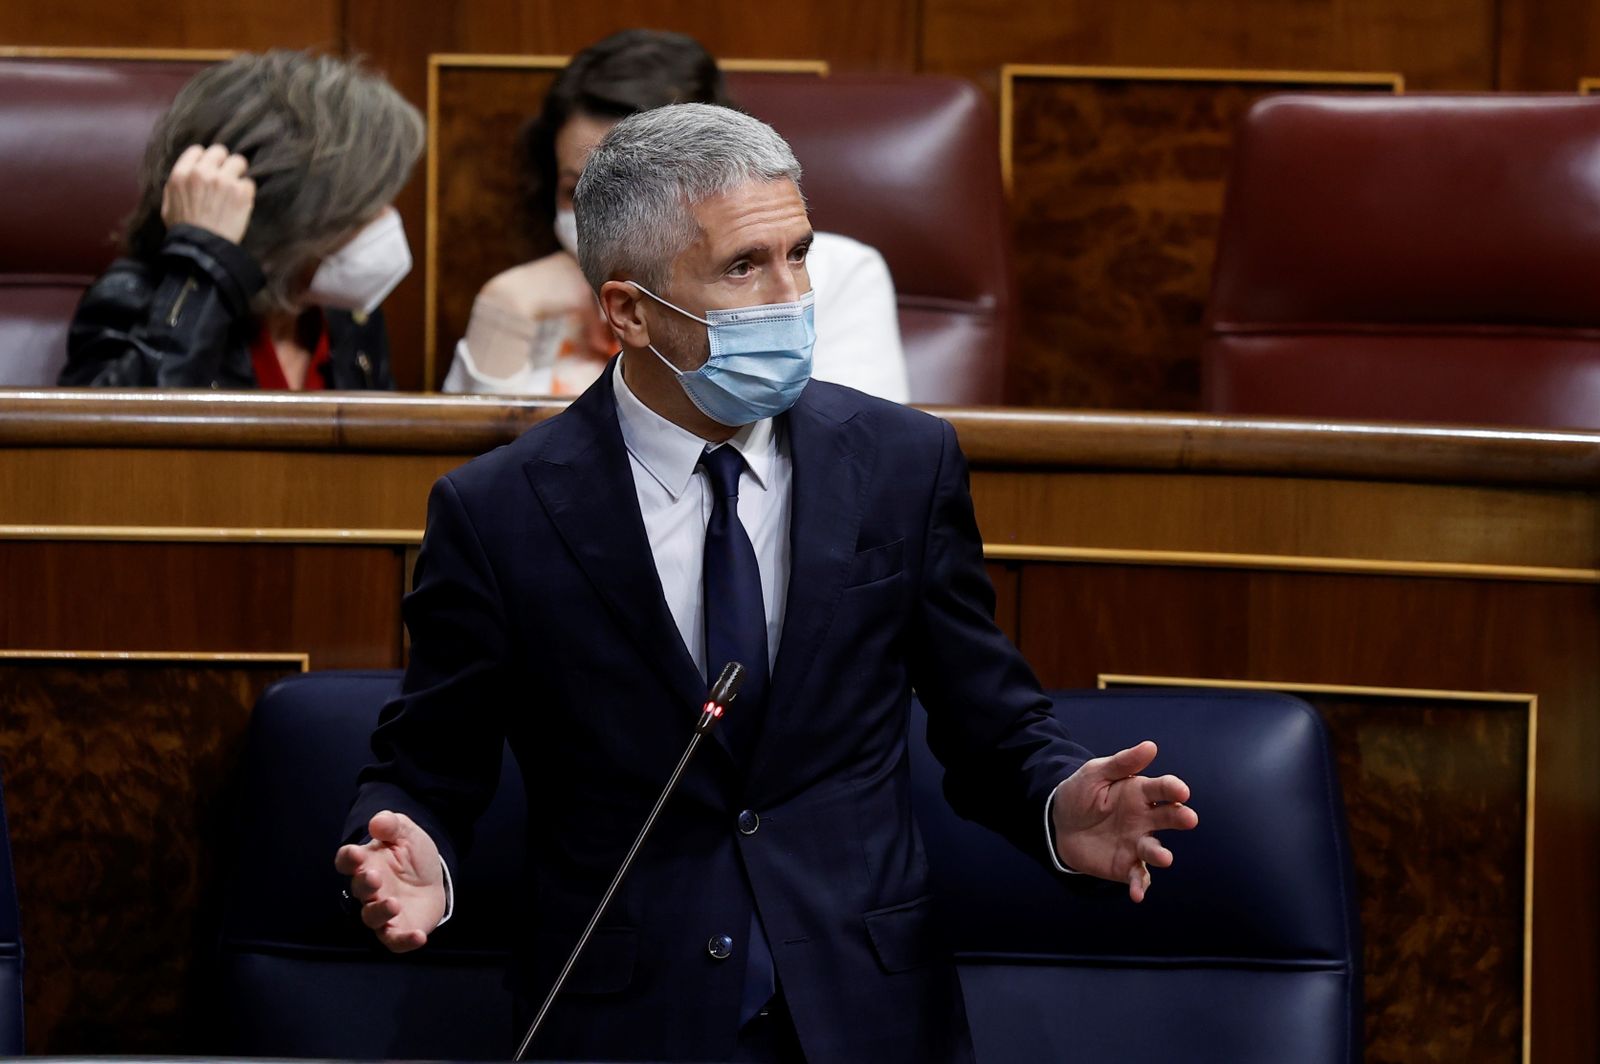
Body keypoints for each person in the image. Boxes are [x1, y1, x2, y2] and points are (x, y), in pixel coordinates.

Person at [337, 104, 1196, 1063]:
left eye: (800, 253)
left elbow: (988, 721)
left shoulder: (903, 463)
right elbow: (429, 762)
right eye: (746, 267)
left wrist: (1057, 799)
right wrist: (412, 854)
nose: (791, 296)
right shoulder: (498, 513)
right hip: (626, 1018)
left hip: (868, 1006)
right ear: (626, 309)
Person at [442, 29, 909, 402]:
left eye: (639, 193)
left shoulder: (835, 274)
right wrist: (505, 316)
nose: (608, 213)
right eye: (577, 192)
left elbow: (858, 459)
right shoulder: (527, 296)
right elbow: (482, 490)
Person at [60, 51, 424, 390]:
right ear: (297, 216)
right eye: (363, 205)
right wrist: (201, 264)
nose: (385, 218)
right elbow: (116, 448)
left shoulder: (346, 317)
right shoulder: (133, 297)